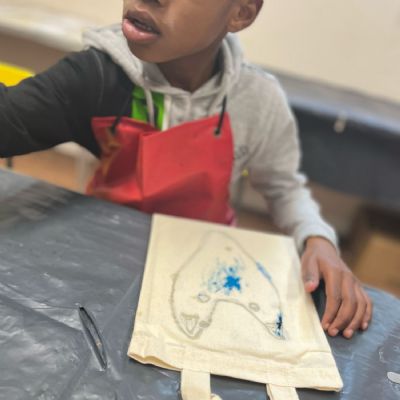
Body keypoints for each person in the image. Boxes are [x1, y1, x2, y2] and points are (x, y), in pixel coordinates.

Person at [0, 0, 372, 338]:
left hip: (204, 270)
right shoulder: (96, 78)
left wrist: (318, 240)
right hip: (103, 259)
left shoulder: (257, 101)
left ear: (241, 13)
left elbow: (284, 188)